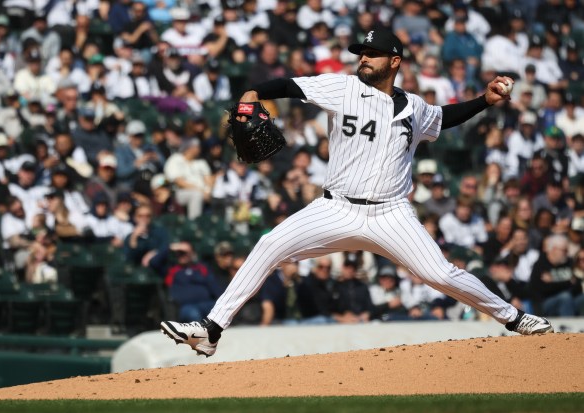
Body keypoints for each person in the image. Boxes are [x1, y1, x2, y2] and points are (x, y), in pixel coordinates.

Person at [160, 28, 554, 358]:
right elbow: (287, 85)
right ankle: (211, 330)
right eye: (361, 53)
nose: (363, 58)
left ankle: (514, 318)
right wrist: (252, 94)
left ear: (394, 62)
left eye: (373, 53)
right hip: (336, 208)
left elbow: (444, 117)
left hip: (391, 215)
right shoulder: (342, 88)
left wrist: (485, 101)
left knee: (441, 274)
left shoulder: (414, 107)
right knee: (269, 245)